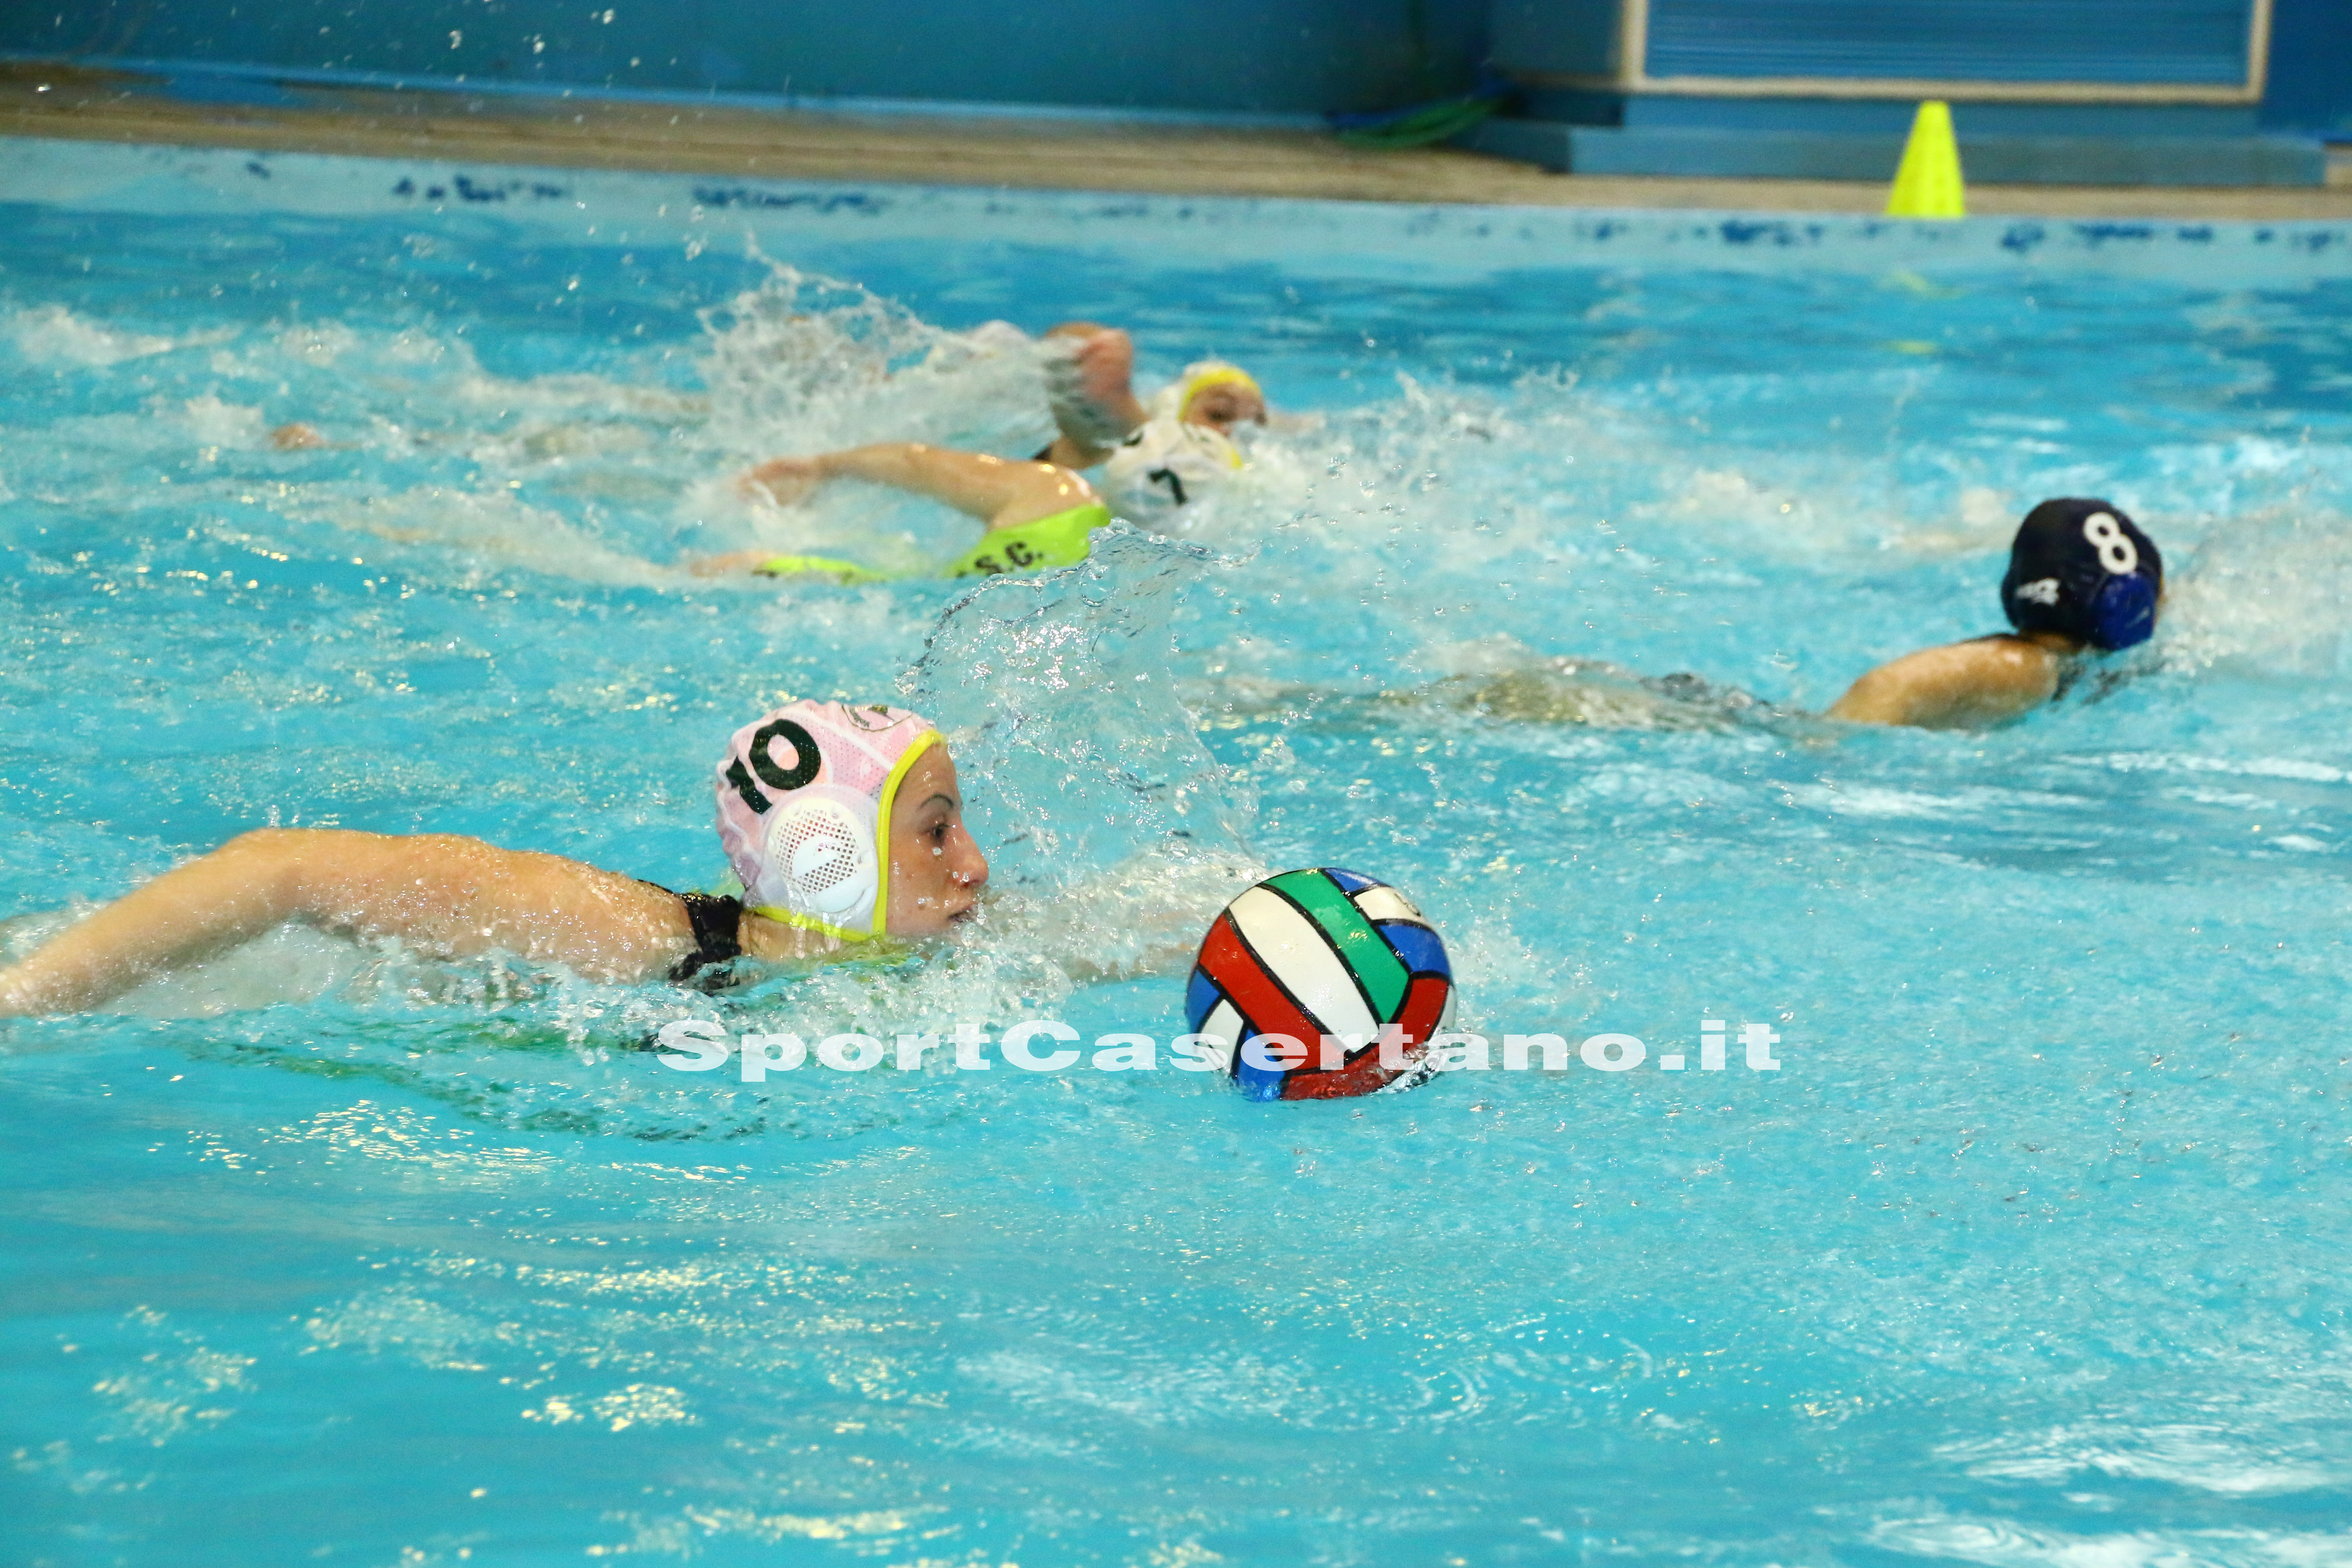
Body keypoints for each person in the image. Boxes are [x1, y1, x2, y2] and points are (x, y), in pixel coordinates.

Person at [0, 701, 987, 1017]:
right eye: (935, 828)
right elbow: (282, 865)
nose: (973, 866)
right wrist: (23, 998)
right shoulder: (637, 939)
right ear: (827, 854)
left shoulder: (953, 961)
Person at [1826, 498, 2163, 729]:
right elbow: (1887, 685)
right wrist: (1822, 745)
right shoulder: (2025, 668)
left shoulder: (2072, 668)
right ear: (2128, 602)